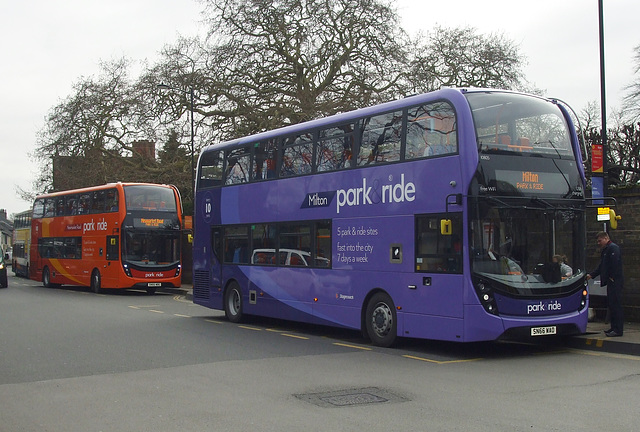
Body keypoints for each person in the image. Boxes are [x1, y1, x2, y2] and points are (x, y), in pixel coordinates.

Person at [586, 231, 624, 337]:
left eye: (600, 240)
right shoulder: (606, 250)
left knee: (616, 306)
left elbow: (614, 264)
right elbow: (602, 266)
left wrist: (612, 277)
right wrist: (591, 275)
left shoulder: (613, 248)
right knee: (612, 305)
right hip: (610, 282)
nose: (598, 243)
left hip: (615, 281)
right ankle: (613, 328)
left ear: (606, 238)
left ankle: (618, 330)